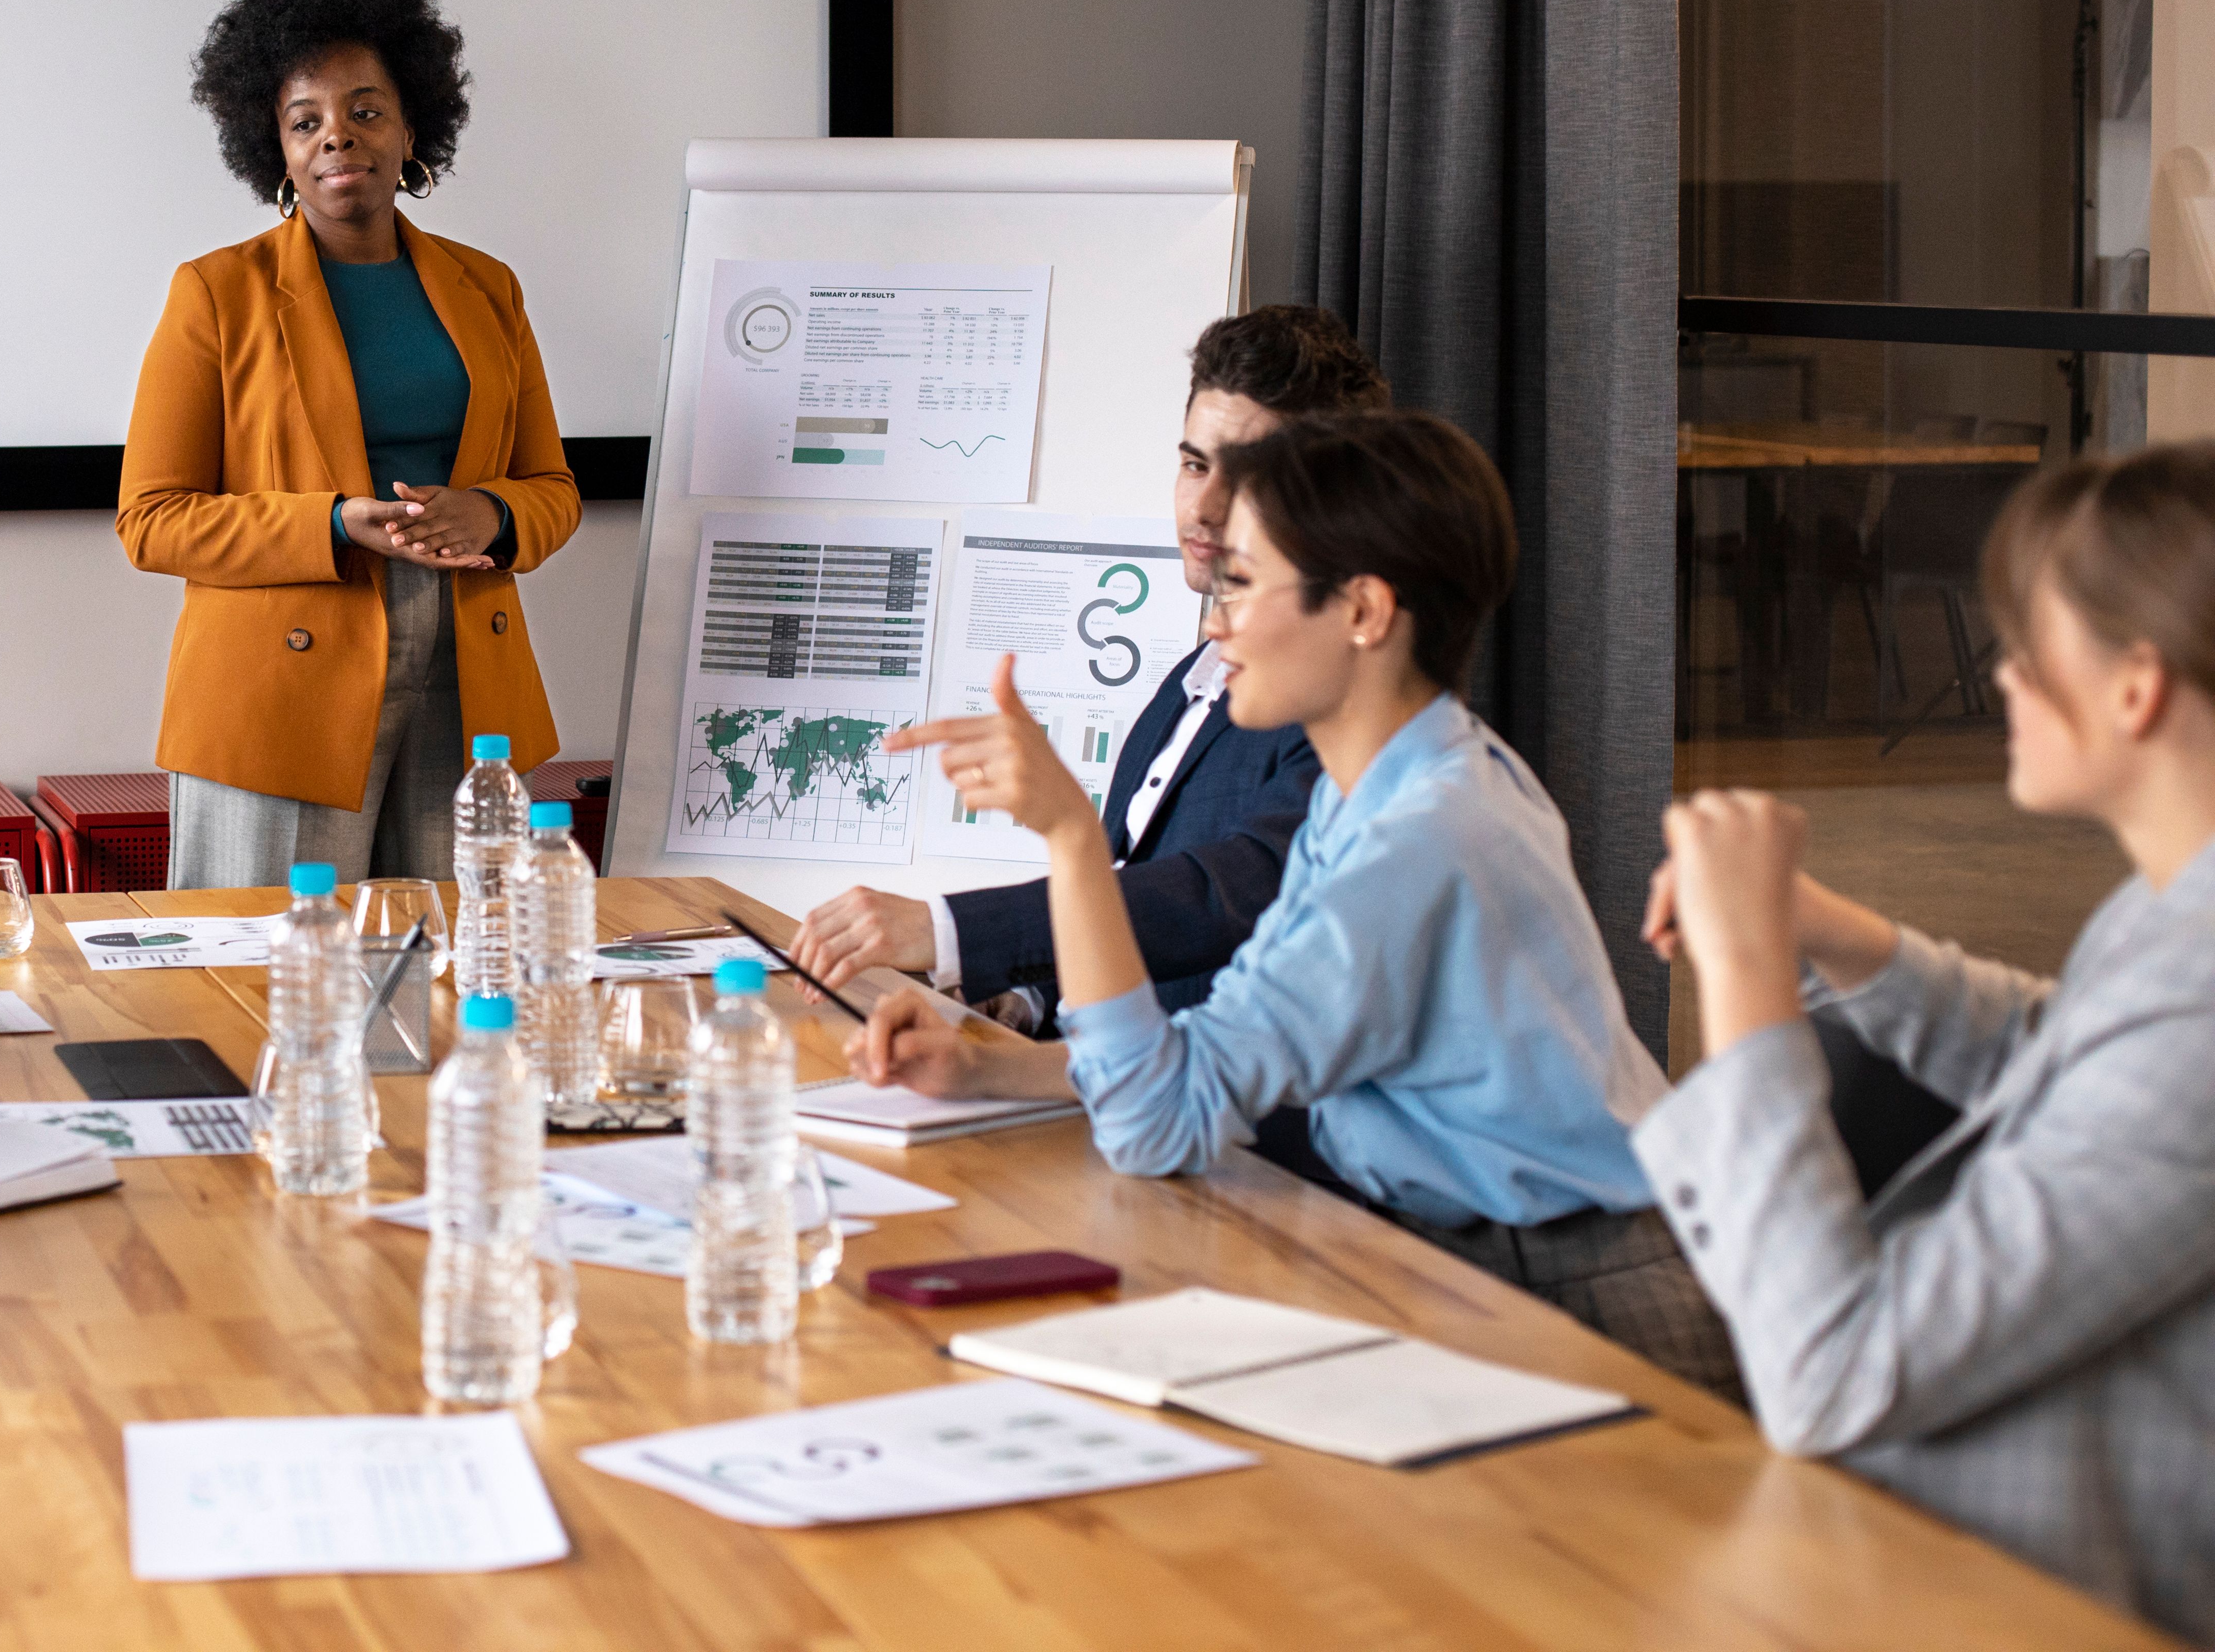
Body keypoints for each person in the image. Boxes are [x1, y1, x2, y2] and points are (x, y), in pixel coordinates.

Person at [855, 411, 1741, 1399]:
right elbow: (1208, 1060)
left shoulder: (1417, 841)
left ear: (1362, 610)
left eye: (1244, 582)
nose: (1216, 620)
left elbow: (1155, 1123)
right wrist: (993, 1073)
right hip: (1496, 1262)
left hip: (1587, 1300)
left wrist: (1069, 833)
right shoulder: (1386, 789)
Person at [1642, 443, 2215, 1643]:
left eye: (2027, 642)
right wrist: (1826, 929)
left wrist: (1747, 979)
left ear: (2135, 686)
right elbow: (2063, 1060)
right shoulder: (2174, 909)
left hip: (2010, 1601)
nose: (2000, 675)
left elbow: (1836, 1374)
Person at [119, 0, 581, 887]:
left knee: (465, 975)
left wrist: (490, 515)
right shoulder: (216, 292)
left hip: (469, 669)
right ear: (278, 149)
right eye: (307, 121)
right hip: (280, 692)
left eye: (367, 111)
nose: (339, 138)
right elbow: (152, 519)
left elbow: (554, 490)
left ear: (413, 128)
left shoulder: (488, 289)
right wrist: (335, 524)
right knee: (267, 981)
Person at [792, 305, 1388, 1027]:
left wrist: (949, 931)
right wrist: (1017, 1005)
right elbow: (1126, 896)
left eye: (1247, 479)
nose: (1204, 508)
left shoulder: (1358, 695)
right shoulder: (1191, 680)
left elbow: (1235, 891)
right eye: (1194, 465)